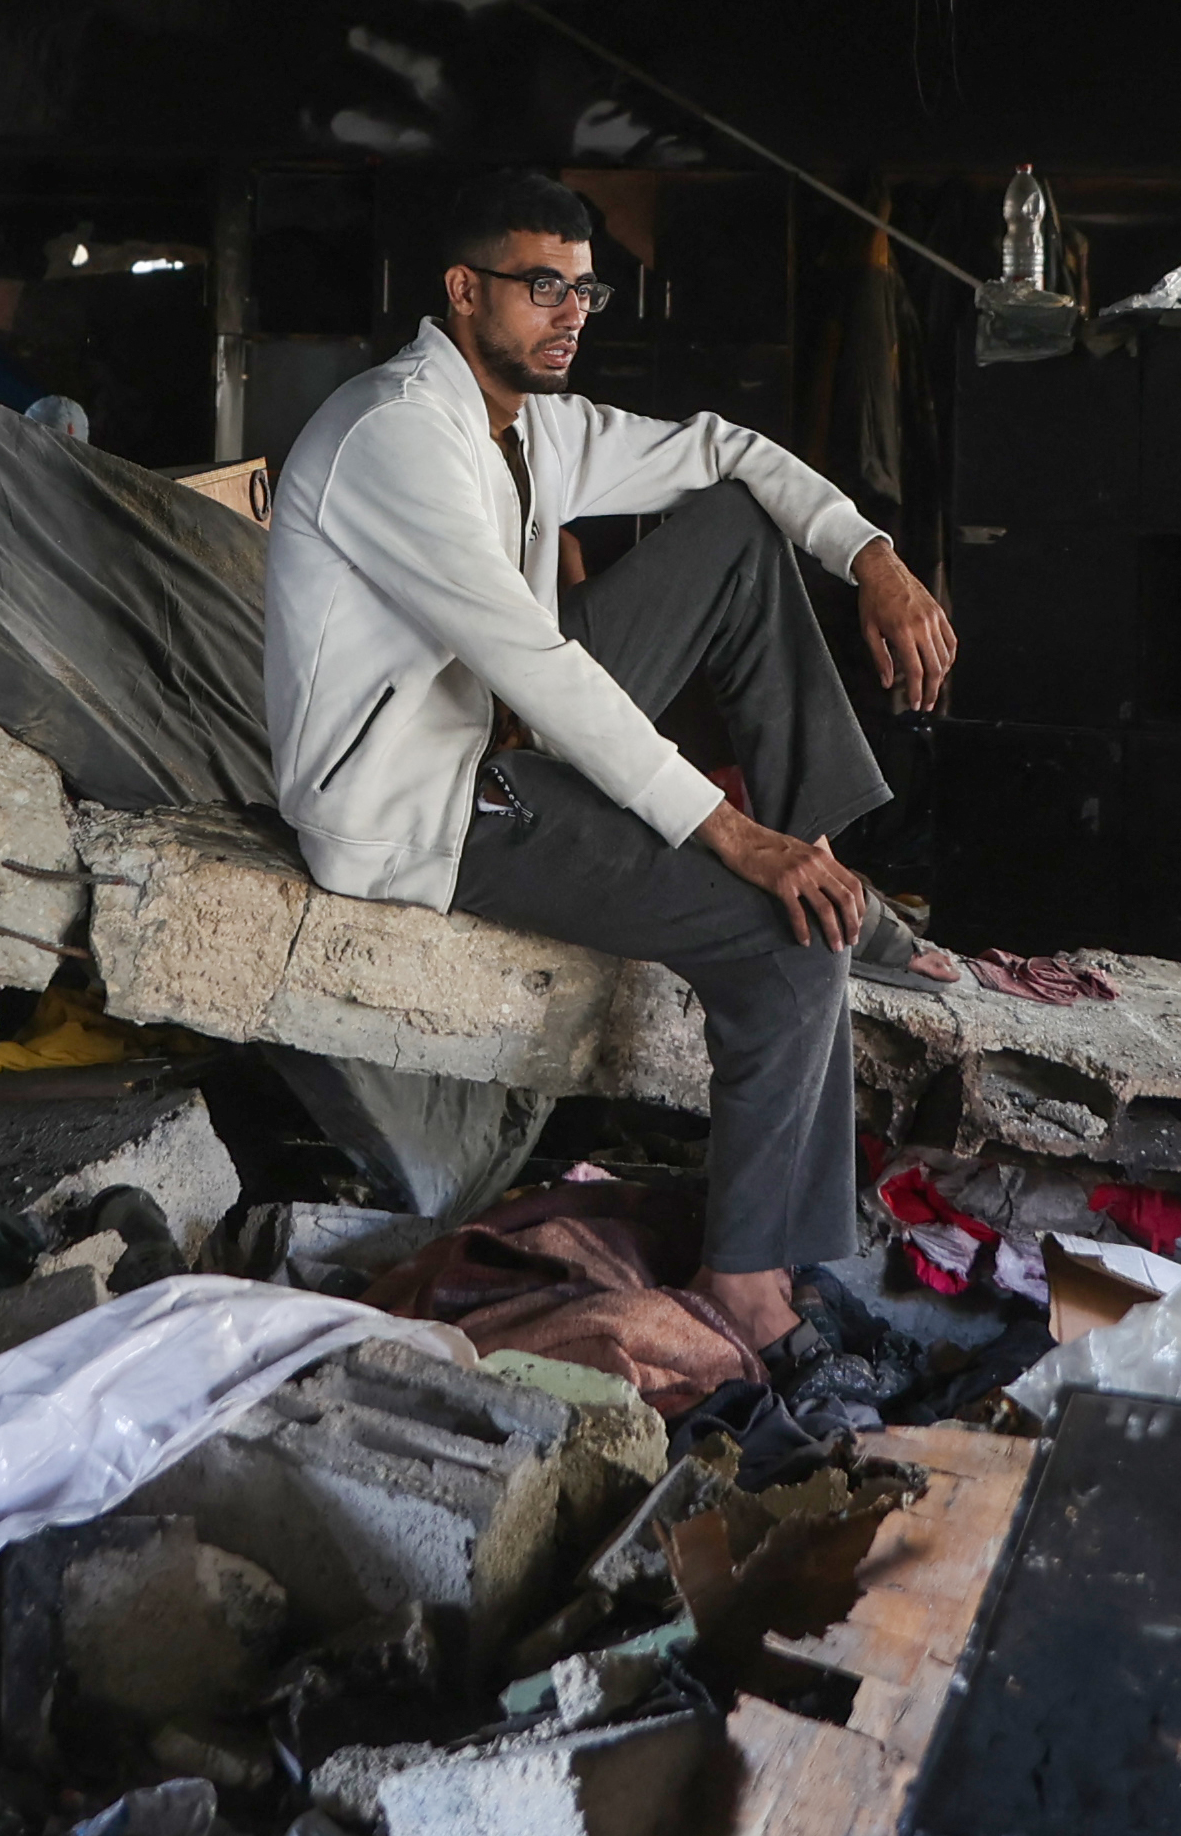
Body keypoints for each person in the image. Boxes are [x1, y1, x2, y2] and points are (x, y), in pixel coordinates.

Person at [262, 167, 960, 1282]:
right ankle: (751, 1281)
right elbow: (537, 668)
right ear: (463, 290)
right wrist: (727, 837)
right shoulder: (397, 436)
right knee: (787, 952)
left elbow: (727, 448)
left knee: (734, 529)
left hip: (503, 738)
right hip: (428, 805)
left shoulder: (530, 427)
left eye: (586, 293)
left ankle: (818, 843)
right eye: (544, 288)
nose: (572, 316)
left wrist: (870, 554)